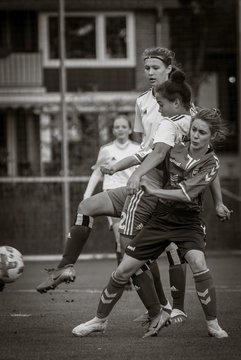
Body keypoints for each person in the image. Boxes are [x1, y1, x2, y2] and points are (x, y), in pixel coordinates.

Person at [36, 49, 230, 326]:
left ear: (169, 68)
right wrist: (118, 166)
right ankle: (66, 268)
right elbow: (146, 148)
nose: (149, 72)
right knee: (88, 208)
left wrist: (218, 201)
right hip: (140, 180)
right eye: (146, 68)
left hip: (156, 188)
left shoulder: (185, 112)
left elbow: (200, 160)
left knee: (141, 249)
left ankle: (164, 308)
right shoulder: (143, 102)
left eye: (154, 67)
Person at [72, 106, 229, 339]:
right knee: (124, 269)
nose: (195, 136)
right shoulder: (173, 149)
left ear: (212, 136)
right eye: (194, 130)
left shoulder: (211, 163)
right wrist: (127, 171)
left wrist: (153, 190)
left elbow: (185, 194)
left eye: (202, 133)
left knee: (197, 261)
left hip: (188, 223)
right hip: (161, 219)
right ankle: (99, 321)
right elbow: (143, 157)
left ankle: (213, 324)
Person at [83, 116, 140, 267]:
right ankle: (122, 273)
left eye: (123, 126)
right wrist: (86, 196)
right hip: (112, 195)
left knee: (131, 237)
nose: (120, 129)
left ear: (129, 129)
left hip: (132, 195)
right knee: (119, 234)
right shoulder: (106, 150)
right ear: (113, 130)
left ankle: (130, 269)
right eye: (117, 127)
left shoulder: (138, 148)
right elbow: (96, 173)